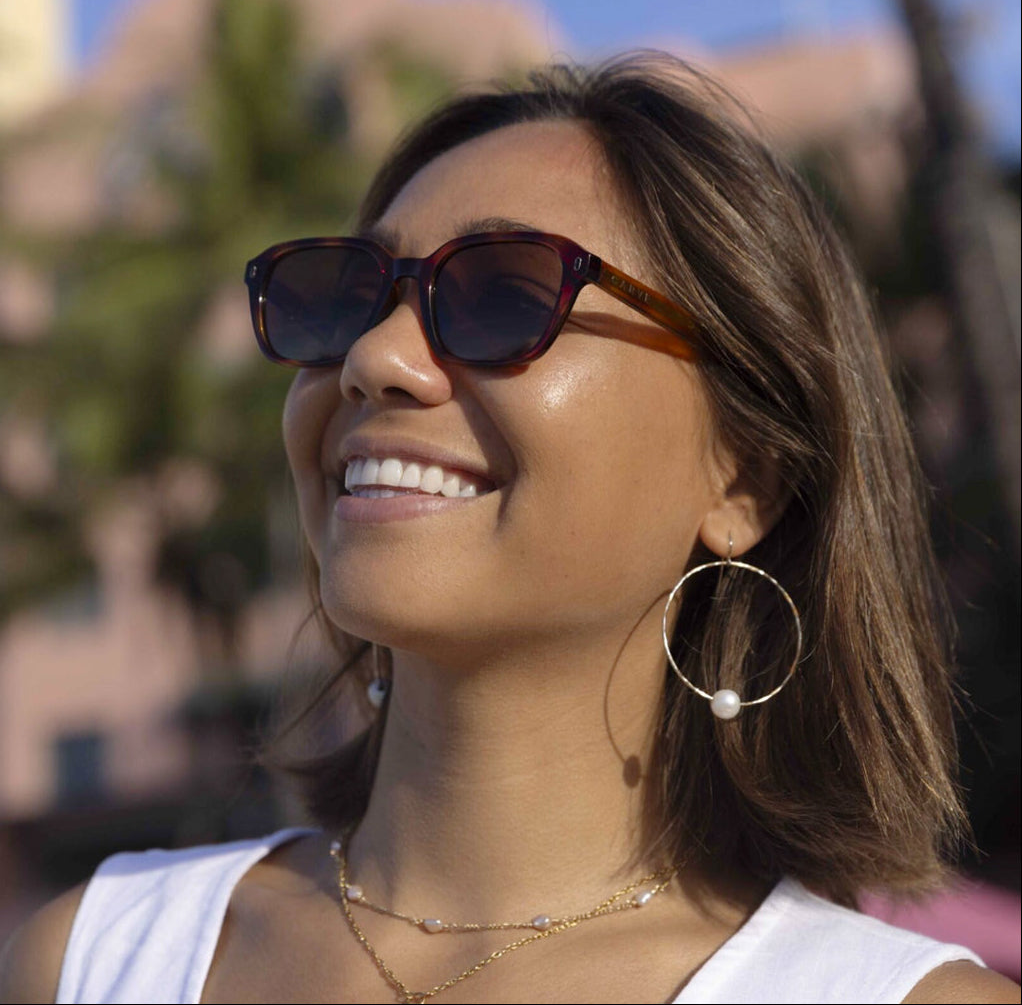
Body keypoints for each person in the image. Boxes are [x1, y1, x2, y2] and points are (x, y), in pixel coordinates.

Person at [1, 52, 1018, 1005]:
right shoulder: (93, 957)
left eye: (500, 295)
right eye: (349, 298)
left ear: (741, 475)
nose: (375, 358)